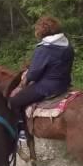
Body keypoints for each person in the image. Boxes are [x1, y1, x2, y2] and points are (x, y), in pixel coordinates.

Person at [8, 16, 74, 154]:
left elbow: (33, 75)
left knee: (14, 101)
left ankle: (21, 132)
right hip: (64, 83)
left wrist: (25, 80)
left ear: (42, 31)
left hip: (47, 87)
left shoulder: (44, 48)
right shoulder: (67, 45)